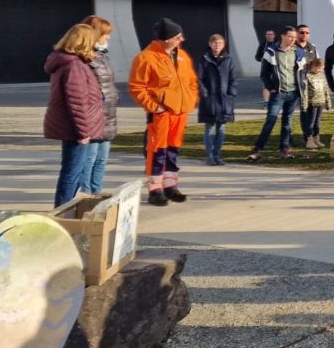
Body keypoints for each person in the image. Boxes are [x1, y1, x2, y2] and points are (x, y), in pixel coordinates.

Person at [129, 18, 199, 206]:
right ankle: (155, 190)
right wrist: (155, 107)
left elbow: (192, 82)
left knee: (173, 151)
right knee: (157, 151)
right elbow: (137, 87)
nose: (181, 39)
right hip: (160, 114)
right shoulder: (146, 58)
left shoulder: (182, 56)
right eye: (177, 36)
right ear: (166, 38)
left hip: (180, 112)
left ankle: (170, 187)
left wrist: (191, 100)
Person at [44, 24, 105, 207]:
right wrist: (83, 132)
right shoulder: (73, 66)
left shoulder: (70, 62)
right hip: (75, 130)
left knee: (74, 172)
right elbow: (77, 102)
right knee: (71, 173)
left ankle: (68, 207)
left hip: (72, 128)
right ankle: (63, 210)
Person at [249, 26, 305, 161]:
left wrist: (301, 89)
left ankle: (284, 149)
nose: (293, 39)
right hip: (278, 93)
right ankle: (257, 149)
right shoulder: (271, 51)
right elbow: (263, 73)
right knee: (270, 120)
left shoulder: (299, 52)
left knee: (287, 122)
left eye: (294, 37)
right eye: (290, 36)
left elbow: (303, 72)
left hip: (293, 93)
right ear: (283, 36)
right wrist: (270, 87)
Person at [79, 15, 118, 192]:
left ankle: (97, 191)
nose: (108, 37)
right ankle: (86, 193)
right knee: (90, 158)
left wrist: (114, 95)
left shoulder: (102, 55)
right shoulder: (84, 57)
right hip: (94, 116)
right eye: (105, 33)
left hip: (107, 114)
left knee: (102, 158)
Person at [198, 34, 238, 166]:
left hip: (225, 99)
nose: (217, 45)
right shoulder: (204, 59)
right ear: (210, 44)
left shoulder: (228, 59)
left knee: (221, 129)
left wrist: (231, 92)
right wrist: (204, 92)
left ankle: (217, 155)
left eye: (220, 43)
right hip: (210, 99)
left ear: (224, 44)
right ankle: (209, 156)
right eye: (215, 43)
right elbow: (199, 78)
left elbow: (233, 77)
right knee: (209, 128)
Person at [294, 24, 320, 143]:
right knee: (304, 111)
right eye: (302, 32)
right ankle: (306, 137)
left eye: (307, 33)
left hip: (312, 84)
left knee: (314, 111)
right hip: (298, 83)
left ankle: (314, 135)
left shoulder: (312, 47)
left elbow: (318, 64)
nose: (304, 35)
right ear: (297, 33)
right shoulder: (293, 47)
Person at [301, 58, 331, 149]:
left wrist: (328, 102)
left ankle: (316, 138)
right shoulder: (308, 76)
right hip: (312, 103)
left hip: (321, 102)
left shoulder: (322, 76)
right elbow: (305, 92)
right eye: (318, 68)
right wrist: (304, 105)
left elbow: (326, 89)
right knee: (311, 122)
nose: (320, 70)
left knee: (317, 122)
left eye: (321, 68)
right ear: (313, 66)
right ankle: (309, 139)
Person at [255, 29, 276, 103]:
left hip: (276, 68)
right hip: (266, 68)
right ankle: (266, 103)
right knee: (265, 85)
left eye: (271, 34)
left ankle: (275, 101)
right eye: (268, 34)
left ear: (274, 35)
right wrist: (265, 59)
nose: (269, 36)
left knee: (276, 85)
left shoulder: (277, 44)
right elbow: (257, 57)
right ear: (265, 35)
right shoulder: (262, 46)